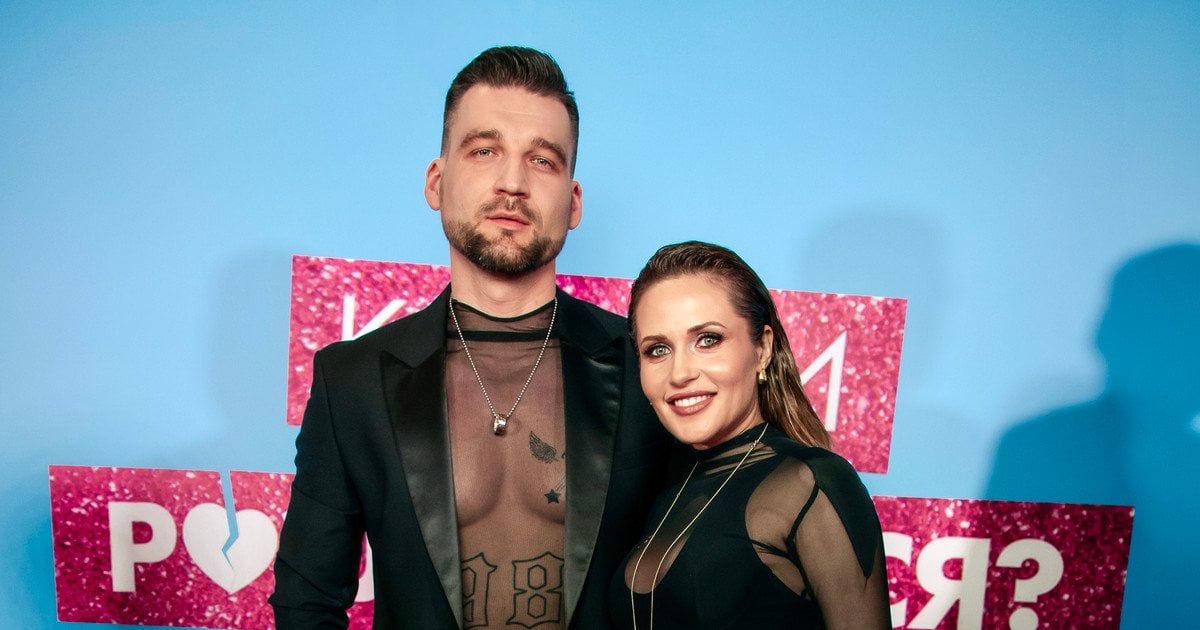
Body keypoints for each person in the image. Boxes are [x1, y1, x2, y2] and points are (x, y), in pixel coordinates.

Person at [271, 46, 672, 629]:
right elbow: (307, 603)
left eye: (543, 160)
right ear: (437, 182)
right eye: (485, 151)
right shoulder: (353, 380)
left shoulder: (647, 367)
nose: (512, 183)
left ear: (573, 201)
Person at [608, 241, 890, 629]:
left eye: (707, 340)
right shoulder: (661, 485)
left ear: (763, 348)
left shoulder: (810, 483)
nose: (680, 373)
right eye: (657, 350)